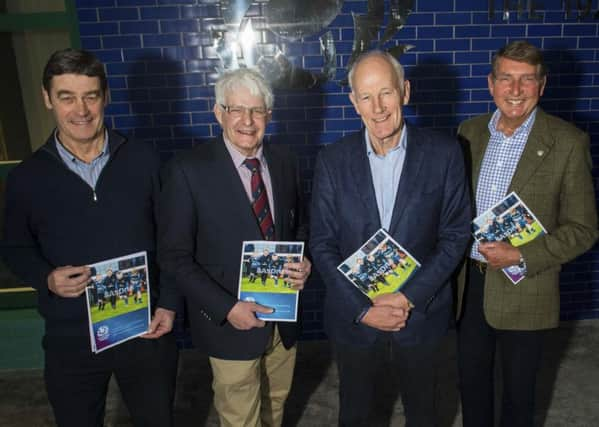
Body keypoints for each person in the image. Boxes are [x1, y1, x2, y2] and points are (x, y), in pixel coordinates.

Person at [1, 48, 179, 427]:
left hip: (145, 330)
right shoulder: (26, 178)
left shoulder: (145, 160)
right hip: (71, 338)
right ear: (47, 98)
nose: (80, 110)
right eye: (67, 97)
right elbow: (15, 248)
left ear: (106, 97)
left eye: (90, 96)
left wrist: (168, 304)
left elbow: (173, 240)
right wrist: (46, 278)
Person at [309, 50, 471, 426]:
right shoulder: (332, 160)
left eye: (386, 93)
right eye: (366, 96)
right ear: (353, 102)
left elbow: (455, 234)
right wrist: (364, 307)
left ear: (405, 92)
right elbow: (322, 243)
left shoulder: (445, 153)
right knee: (356, 413)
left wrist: (405, 297)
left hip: (420, 313)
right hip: (355, 318)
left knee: (424, 412)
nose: (378, 107)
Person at [158, 68, 311, 427]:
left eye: (257, 111)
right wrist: (227, 308)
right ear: (218, 112)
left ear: (269, 115)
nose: (247, 120)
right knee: (241, 418)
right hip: (230, 325)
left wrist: (306, 260)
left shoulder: (286, 161)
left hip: (281, 320)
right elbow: (174, 256)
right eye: (236, 109)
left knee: (276, 403)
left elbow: (299, 224)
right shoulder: (187, 170)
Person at [456, 40, 598, 427]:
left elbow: (584, 229)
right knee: (471, 389)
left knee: (519, 400)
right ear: (490, 83)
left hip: (527, 289)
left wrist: (521, 256)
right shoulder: (468, 134)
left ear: (542, 85)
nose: (515, 90)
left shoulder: (567, 143)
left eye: (527, 80)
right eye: (506, 79)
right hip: (468, 288)